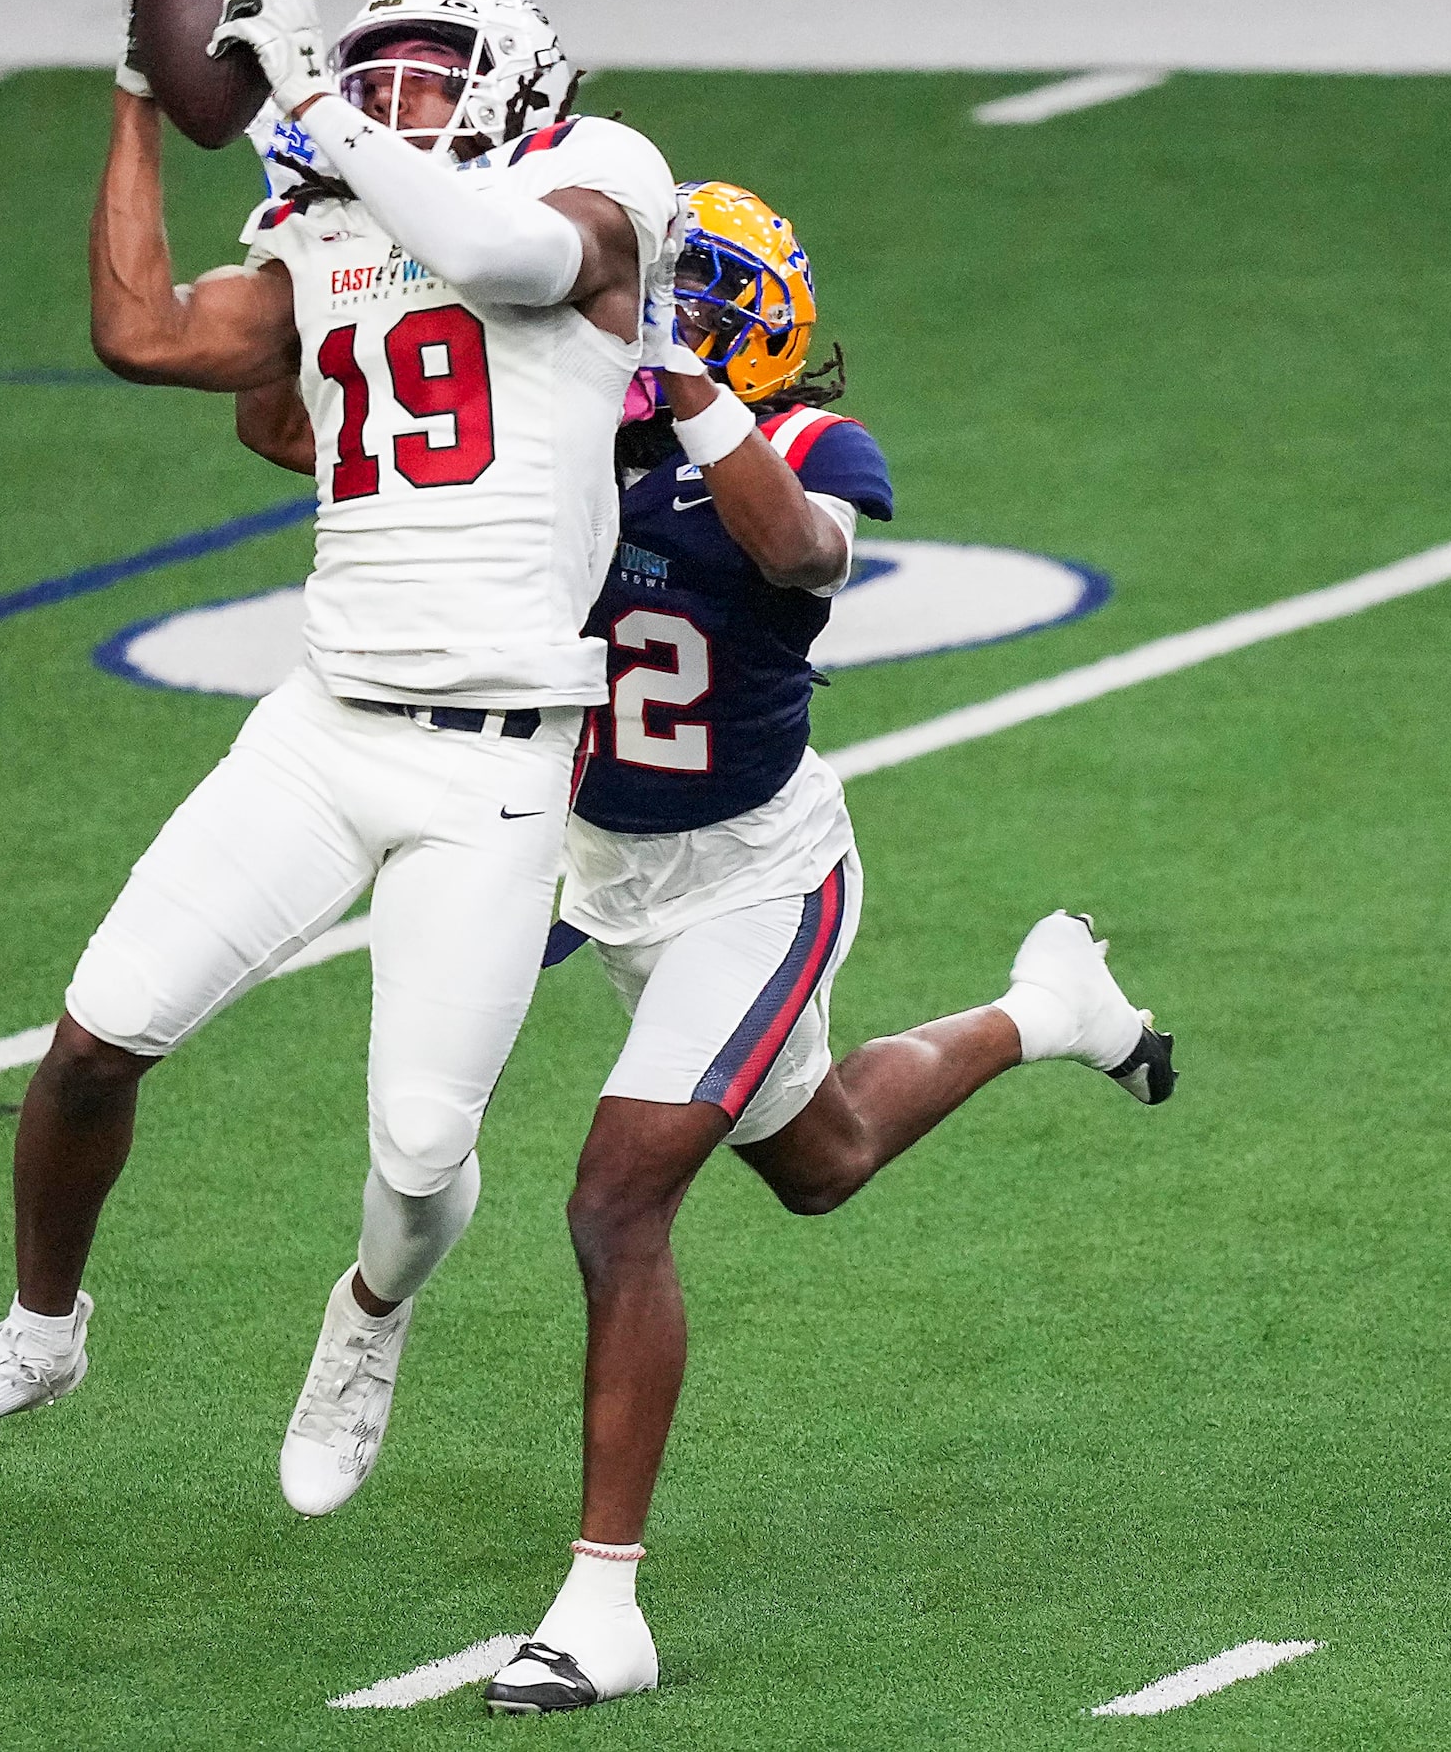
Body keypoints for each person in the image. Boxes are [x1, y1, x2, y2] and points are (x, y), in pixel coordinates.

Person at [0, 0, 683, 1521]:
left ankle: (367, 1319)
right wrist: (133, 91)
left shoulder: (598, 177)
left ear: (512, 85)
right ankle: (40, 1331)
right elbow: (147, 334)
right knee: (96, 1037)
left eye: (422, 74)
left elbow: (510, 266)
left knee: (422, 1156)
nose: (387, 98)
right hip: (322, 726)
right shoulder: (326, 215)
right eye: (370, 70)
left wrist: (316, 100)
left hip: (496, 764)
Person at [464, 183, 1178, 1714]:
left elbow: (797, 559)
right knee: (822, 1157)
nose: (665, 311)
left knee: (613, 1198)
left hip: (753, 878)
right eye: (659, 287)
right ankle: (1049, 1006)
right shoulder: (569, 428)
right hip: (593, 867)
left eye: (698, 294)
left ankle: (601, 1607)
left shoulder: (800, 443)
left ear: (764, 319)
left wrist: (694, 388)